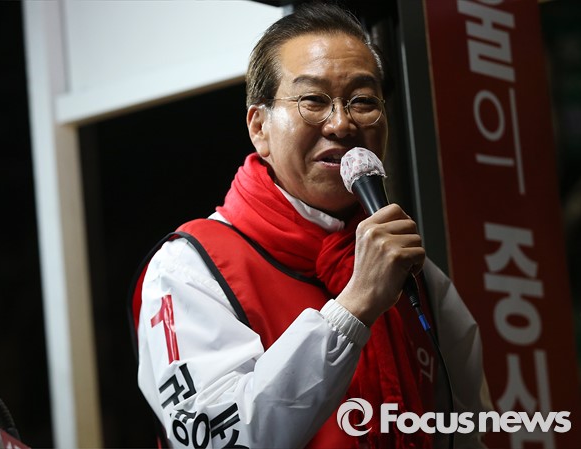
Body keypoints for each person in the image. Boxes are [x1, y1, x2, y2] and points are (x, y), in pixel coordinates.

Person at [130, 2, 492, 448]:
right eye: (314, 101)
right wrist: (354, 307)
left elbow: (467, 427)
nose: (341, 124)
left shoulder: (411, 272)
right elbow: (217, 437)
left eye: (363, 101)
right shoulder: (188, 268)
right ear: (259, 127)